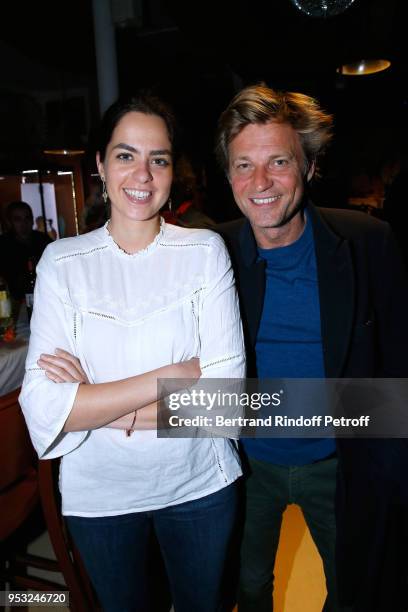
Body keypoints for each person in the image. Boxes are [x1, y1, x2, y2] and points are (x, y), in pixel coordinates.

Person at [20, 95, 245, 612]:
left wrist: (95, 405)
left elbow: (226, 404)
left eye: (158, 159)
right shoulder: (62, 261)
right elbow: (42, 409)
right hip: (99, 494)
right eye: (125, 155)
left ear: (172, 171)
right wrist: (172, 375)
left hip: (199, 485)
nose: (142, 174)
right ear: (99, 164)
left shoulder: (205, 252)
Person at [215, 84, 408, 611]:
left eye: (278, 161)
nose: (260, 183)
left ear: (309, 166)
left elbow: (396, 378)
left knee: (353, 592)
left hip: (340, 463)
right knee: (248, 587)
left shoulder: (369, 243)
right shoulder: (211, 251)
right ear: (228, 173)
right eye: (243, 165)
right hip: (247, 466)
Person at [0, 201, 51, 300]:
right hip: (14, 300)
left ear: (32, 220)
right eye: (18, 219)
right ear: (10, 222)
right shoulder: (3, 245)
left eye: (27, 218)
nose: (24, 223)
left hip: (44, 296)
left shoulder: (42, 239)